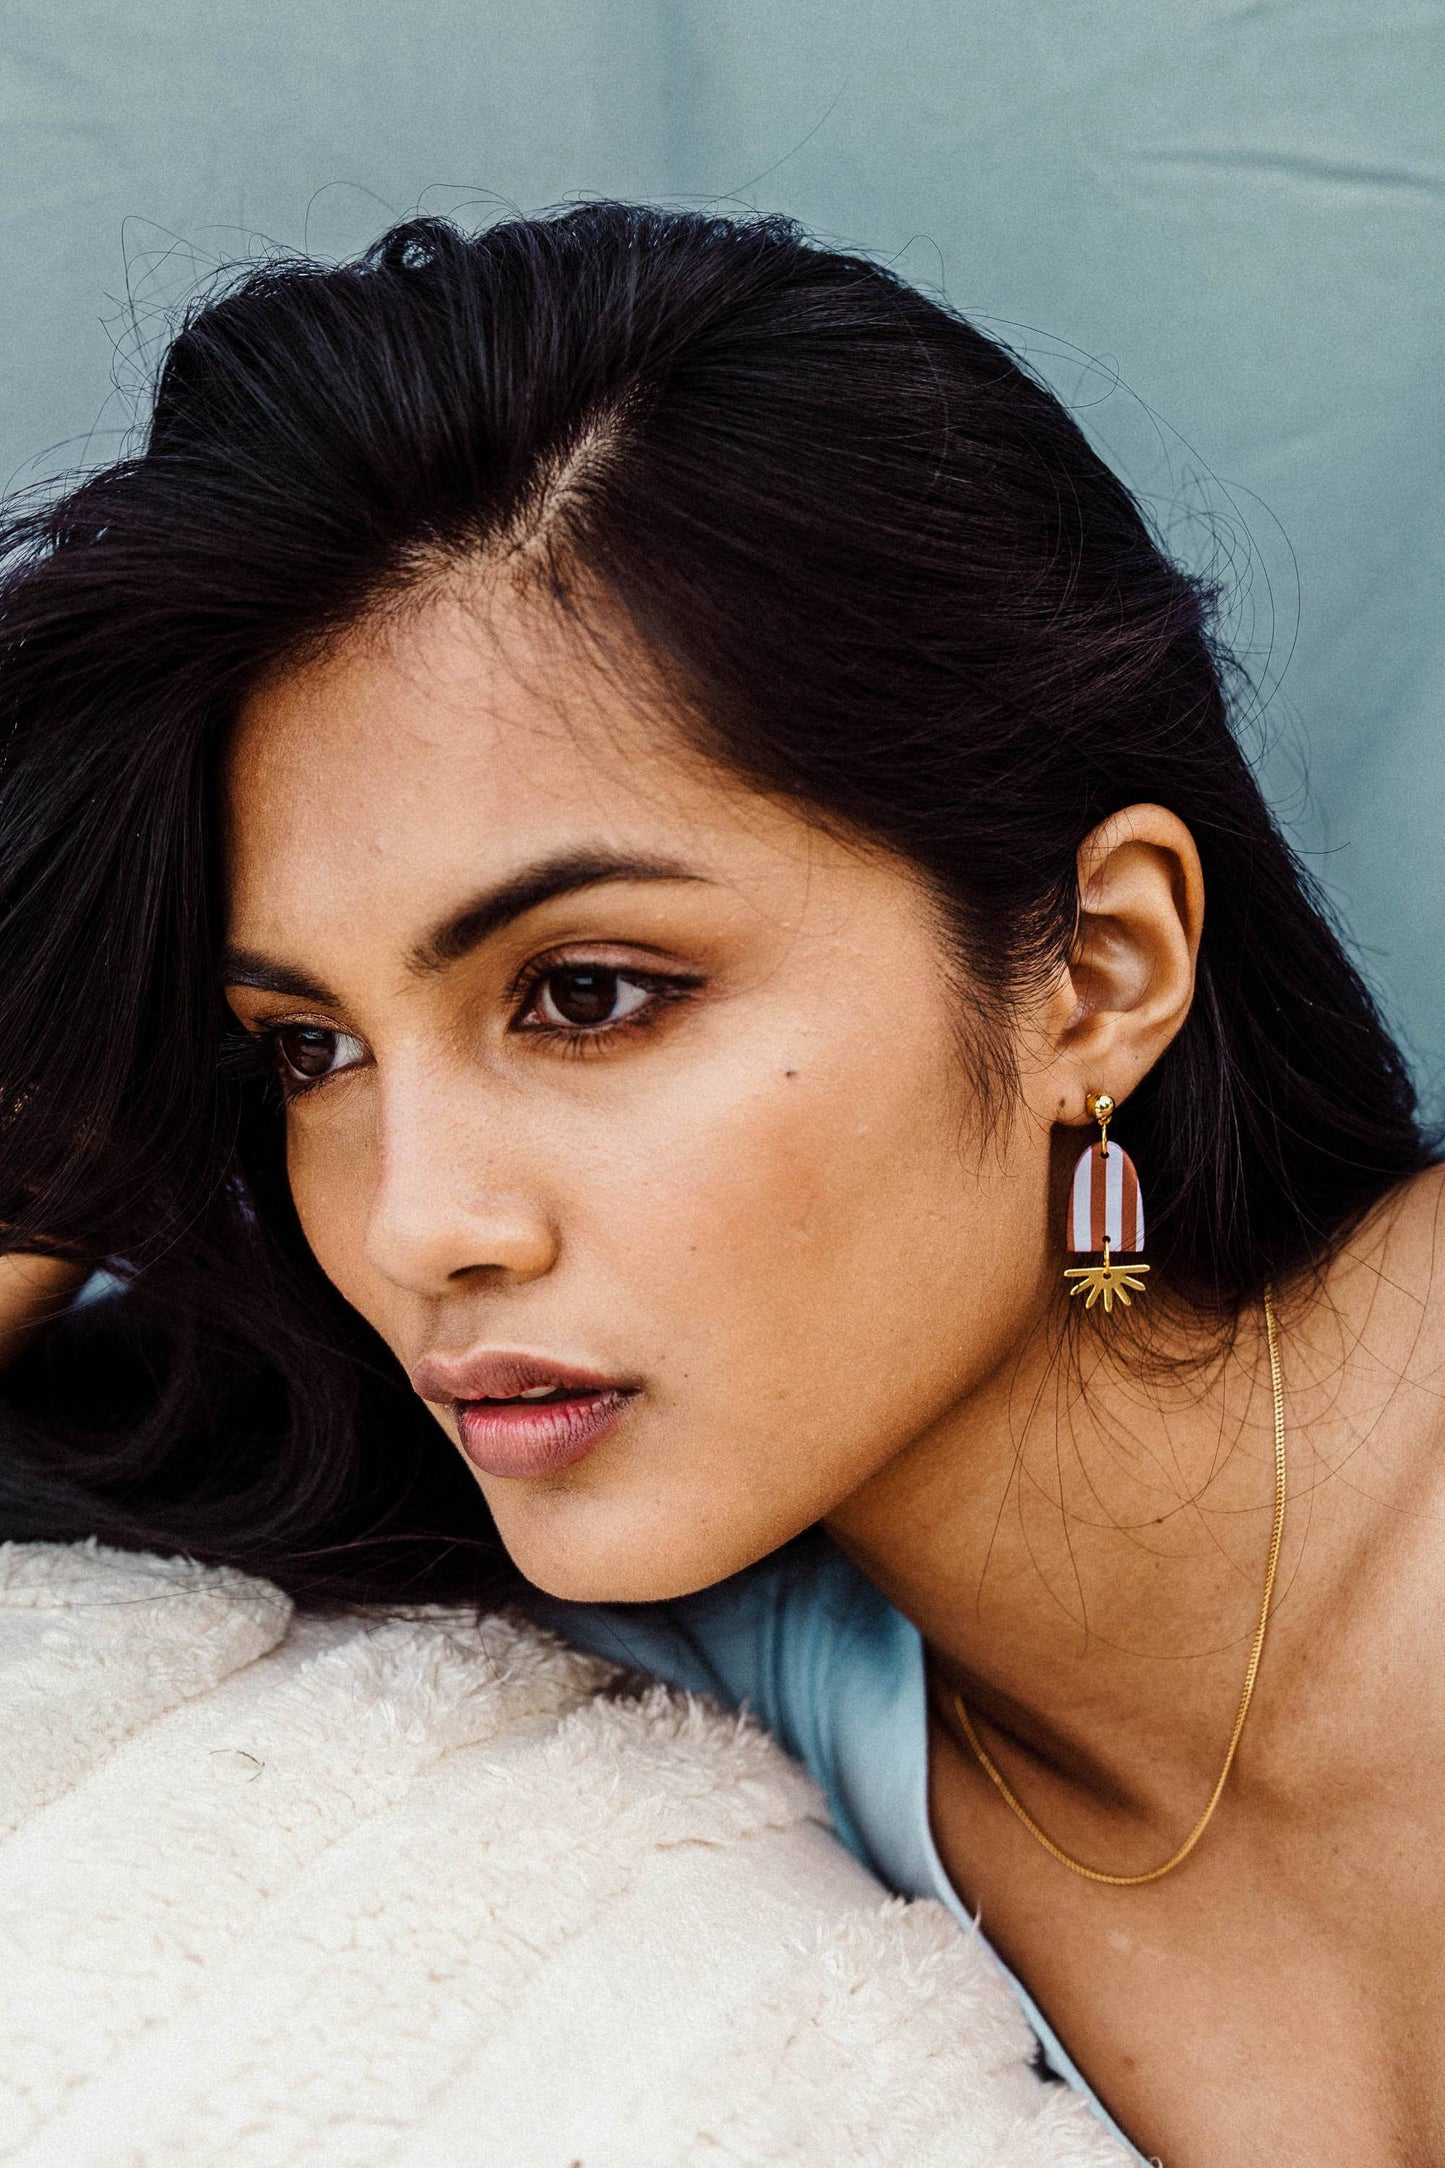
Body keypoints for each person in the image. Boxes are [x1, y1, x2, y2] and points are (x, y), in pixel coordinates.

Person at [0, 204, 1439, 2167]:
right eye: (308, 1047)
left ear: (1101, 971)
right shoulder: (688, 1647)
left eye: (589, 994)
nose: (420, 1223)